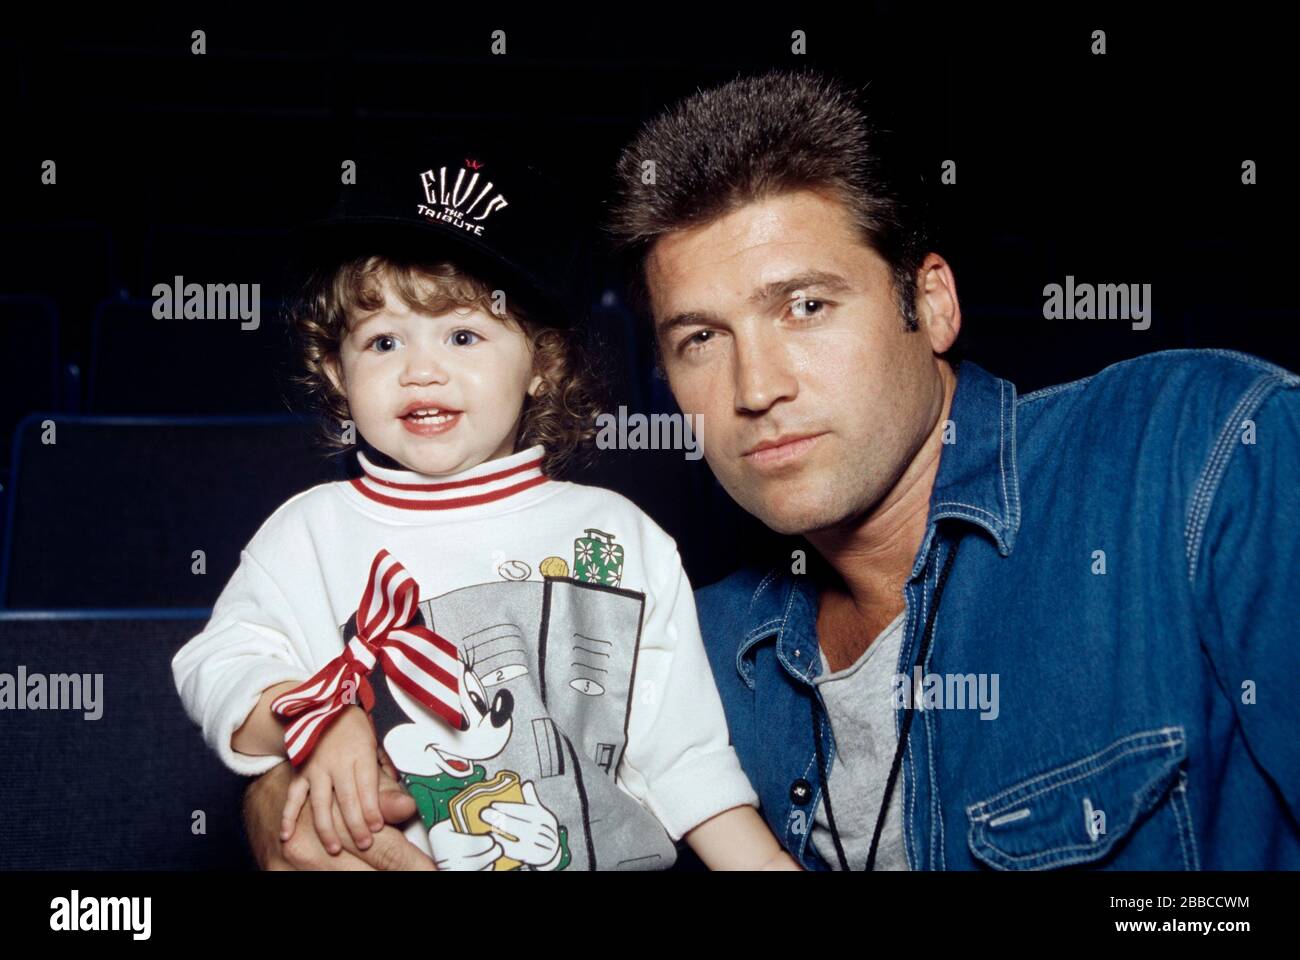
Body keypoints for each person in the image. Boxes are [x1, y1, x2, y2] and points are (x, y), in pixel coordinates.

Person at [602, 68, 1300, 870]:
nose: (756, 389)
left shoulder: (1197, 451)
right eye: (701, 340)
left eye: (805, 306)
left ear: (931, 303)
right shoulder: (690, 640)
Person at [171, 143, 799, 871]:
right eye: (382, 341)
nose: (422, 369)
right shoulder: (308, 531)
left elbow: (683, 757)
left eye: (463, 335)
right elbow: (216, 665)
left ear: (540, 364)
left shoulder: (624, 536)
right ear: (338, 376)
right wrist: (318, 715)